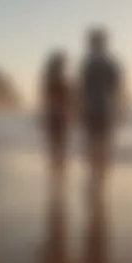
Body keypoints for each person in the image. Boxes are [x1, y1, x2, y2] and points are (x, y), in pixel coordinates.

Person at [79, 27, 124, 195]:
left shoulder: (89, 64)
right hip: (104, 109)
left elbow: (81, 91)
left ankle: (95, 178)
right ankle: (100, 180)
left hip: (93, 110)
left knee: (94, 145)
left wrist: (79, 110)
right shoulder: (109, 63)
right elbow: (118, 88)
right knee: (103, 145)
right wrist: (120, 108)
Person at [41, 51, 73, 187]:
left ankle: (57, 175)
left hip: (54, 117)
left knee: (56, 146)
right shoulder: (60, 81)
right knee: (60, 146)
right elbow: (68, 100)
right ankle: (58, 175)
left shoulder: (50, 80)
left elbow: (46, 101)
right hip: (59, 117)